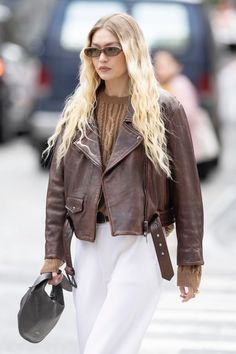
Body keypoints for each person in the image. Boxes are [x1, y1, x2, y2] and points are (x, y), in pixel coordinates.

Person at [40, 13, 204, 354]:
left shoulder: (164, 109)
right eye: (93, 51)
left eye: (111, 50)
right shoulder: (78, 111)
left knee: (104, 348)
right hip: (86, 246)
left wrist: (190, 262)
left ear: (132, 51)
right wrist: (54, 254)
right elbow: (58, 189)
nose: (101, 58)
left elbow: (188, 191)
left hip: (140, 244)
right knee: (94, 345)